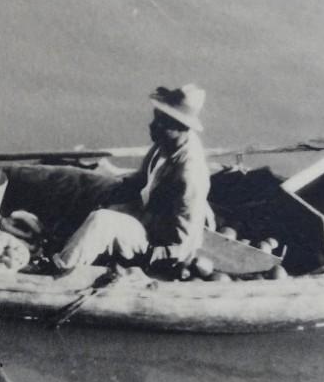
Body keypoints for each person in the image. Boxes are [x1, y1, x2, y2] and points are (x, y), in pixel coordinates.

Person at [53, 84, 212, 273]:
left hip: (155, 244)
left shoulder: (189, 174)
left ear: (181, 127)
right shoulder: (166, 143)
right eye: (155, 118)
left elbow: (182, 244)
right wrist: (109, 195)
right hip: (148, 215)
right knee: (93, 192)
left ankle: (61, 270)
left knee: (102, 221)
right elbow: (140, 181)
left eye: (162, 121)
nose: (153, 125)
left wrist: (148, 259)